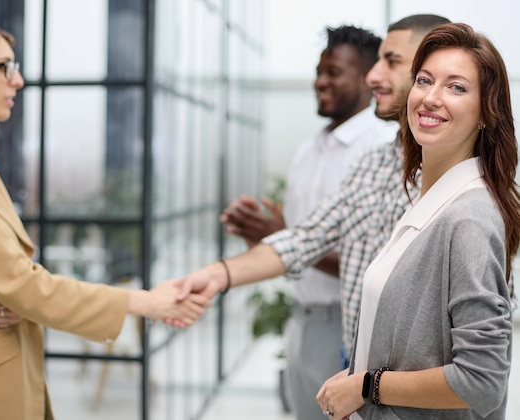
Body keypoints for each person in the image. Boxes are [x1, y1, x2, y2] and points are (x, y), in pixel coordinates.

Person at [0, 18, 209, 420]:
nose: (19, 80)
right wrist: (144, 302)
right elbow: (20, 281)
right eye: (5, 67)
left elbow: (10, 281)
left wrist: (20, 302)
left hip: (9, 371)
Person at [170, 13, 449, 368]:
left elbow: (475, 369)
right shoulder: (373, 164)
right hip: (351, 352)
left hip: (396, 373)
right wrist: (217, 274)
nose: (373, 76)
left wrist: (371, 386)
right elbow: (306, 238)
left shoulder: (462, 184)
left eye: (390, 61)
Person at [317, 22, 517, 419]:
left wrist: (366, 385)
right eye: (424, 80)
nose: (431, 98)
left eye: (456, 87)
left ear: (484, 113)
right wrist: (355, 375)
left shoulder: (468, 218)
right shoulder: (430, 201)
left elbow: (482, 380)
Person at [222, 25, 395, 420]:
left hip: (346, 323)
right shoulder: (308, 149)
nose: (320, 81)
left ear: (368, 79)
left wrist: (281, 236)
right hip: (300, 317)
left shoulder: (380, 151)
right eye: (319, 70)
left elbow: (375, 261)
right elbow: (306, 235)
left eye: (334, 72)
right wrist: (269, 232)